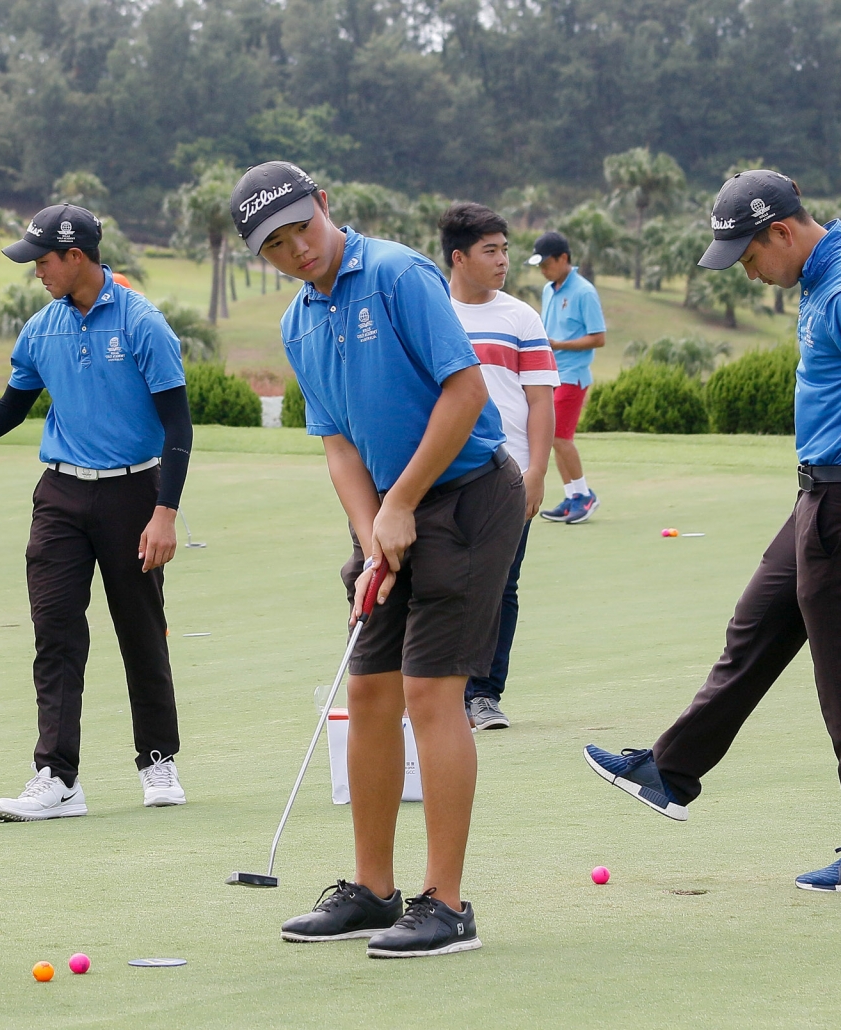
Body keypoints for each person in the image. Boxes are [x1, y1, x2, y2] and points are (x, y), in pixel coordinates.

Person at [584, 170, 841, 893]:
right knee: (754, 628)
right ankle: (670, 771)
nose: (749, 273)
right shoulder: (829, 271)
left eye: (748, 258)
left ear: (781, 231)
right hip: (822, 497)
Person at [233, 162, 524, 959]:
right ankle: (373, 889)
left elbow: (465, 395)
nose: (296, 249)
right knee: (368, 693)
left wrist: (401, 506)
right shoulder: (299, 321)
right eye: (276, 245)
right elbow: (337, 442)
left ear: (325, 206)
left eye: (302, 228)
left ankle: (446, 904)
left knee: (432, 693)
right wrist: (371, 536)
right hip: (389, 510)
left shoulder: (397, 274)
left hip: (465, 496)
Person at [0, 203, 193, 820]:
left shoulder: (143, 324)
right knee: (55, 633)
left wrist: (165, 512)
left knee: (140, 630)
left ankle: (158, 760)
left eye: (43, 261)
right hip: (60, 496)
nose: (36, 273)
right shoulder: (41, 327)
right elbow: (10, 408)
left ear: (76, 256)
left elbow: (177, 423)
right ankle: (57, 776)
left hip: (134, 493)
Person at [441, 203, 558, 731]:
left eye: (505, 250)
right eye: (491, 251)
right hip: (440, 474)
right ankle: (439, 693)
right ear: (459, 257)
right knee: (441, 584)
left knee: (501, 585)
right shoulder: (433, 315)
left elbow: (540, 402)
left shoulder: (521, 317)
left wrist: (536, 472)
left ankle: (483, 694)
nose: (503, 261)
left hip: (508, 475)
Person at [527, 231, 605, 523]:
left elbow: (598, 338)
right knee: (554, 437)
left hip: (573, 374)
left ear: (564, 259)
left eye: (546, 263)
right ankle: (573, 495)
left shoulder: (584, 291)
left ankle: (584, 496)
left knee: (560, 436)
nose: (543, 270)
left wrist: (558, 345)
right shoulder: (550, 289)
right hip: (551, 373)